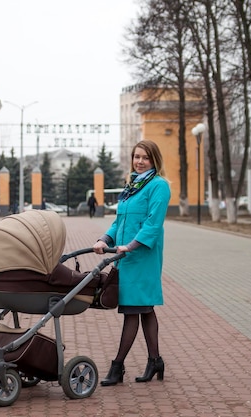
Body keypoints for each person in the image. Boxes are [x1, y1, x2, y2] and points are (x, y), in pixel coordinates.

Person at [93, 140, 171, 386]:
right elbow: (119, 222)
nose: (139, 161)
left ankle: (117, 367)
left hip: (143, 257)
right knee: (144, 309)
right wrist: (104, 239)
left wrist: (131, 245)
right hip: (124, 257)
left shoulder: (158, 186)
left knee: (131, 311)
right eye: (136, 157)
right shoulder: (132, 187)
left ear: (154, 160)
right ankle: (155, 360)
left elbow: (153, 224)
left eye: (145, 158)